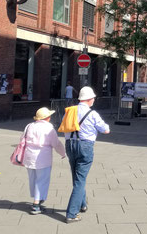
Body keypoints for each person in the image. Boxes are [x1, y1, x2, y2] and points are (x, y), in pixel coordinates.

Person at [65, 86, 110, 223]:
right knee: (80, 179)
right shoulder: (92, 114)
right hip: (85, 146)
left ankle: (82, 204)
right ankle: (72, 213)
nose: (94, 100)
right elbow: (106, 130)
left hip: (70, 144)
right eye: (93, 98)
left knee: (77, 176)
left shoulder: (70, 111)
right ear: (89, 99)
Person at [22, 107, 66, 215]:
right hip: (43, 158)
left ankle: (37, 198)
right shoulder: (49, 128)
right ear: (47, 118)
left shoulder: (29, 126)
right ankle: (36, 204)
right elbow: (55, 143)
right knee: (41, 180)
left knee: (33, 179)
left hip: (29, 157)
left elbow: (22, 139)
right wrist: (63, 153)